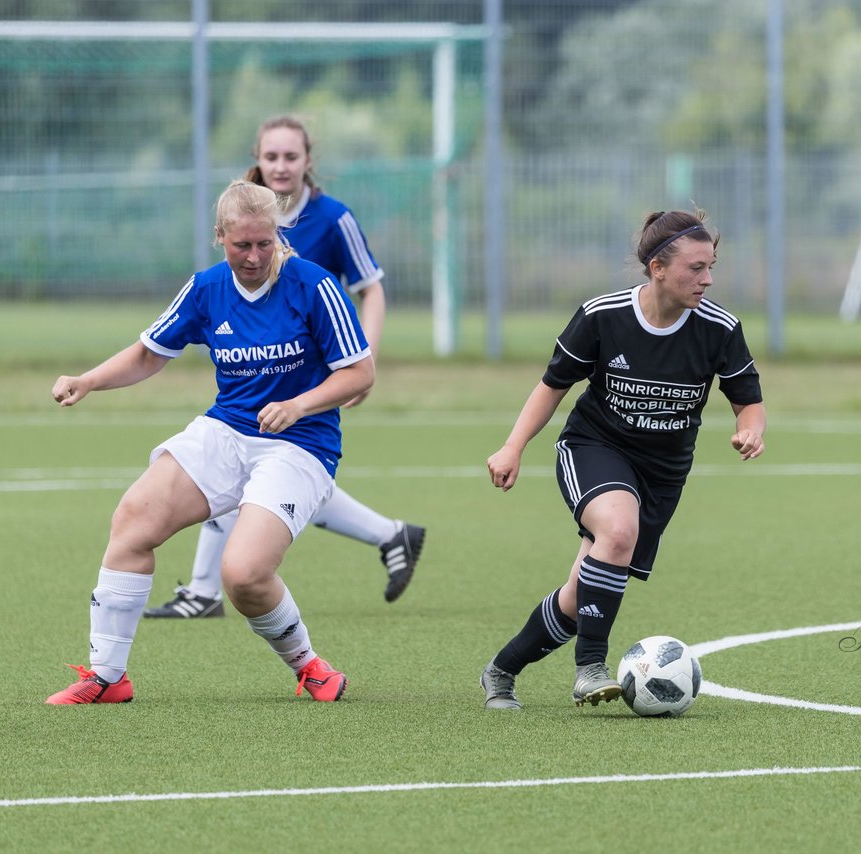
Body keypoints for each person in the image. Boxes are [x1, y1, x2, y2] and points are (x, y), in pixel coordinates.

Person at [46, 179, 374, 704]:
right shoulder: (206, 288)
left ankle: (310, 666)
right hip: (226, 431)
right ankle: (107, 677)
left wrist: (298, 404)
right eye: (241, 244)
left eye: (265, 243)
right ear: (218, 236)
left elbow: (360, 373)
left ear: (279, 235)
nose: (253, 256)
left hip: (301, 444)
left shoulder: (313, 286)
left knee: (243, 575)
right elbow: (150, 353)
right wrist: (88, 380)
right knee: (133, 521)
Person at [479, 208, 767, 710]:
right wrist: (512, 446)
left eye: (711, 266)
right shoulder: (602, 316)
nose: (708, 279)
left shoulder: (719, 328)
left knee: (580, 594)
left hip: (663, 473)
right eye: (695, 268)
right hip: (594, 447)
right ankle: (591, 668)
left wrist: (750, 429)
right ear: (658, 267)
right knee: (616, 532)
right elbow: (553, 387)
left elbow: (747, 397)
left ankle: (502, 669)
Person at [144, 114, 424, 620]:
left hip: (308, 378)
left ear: (307, 161)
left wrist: (367, 357)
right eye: (270, 156)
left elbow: (371, 288)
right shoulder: (245, 210)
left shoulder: (333, 218)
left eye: (290, 157)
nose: (279, 166)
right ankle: (389, 534)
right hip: (255, 370)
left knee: (269, 475)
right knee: (255, 470)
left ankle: (205, 591)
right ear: (258, 158)